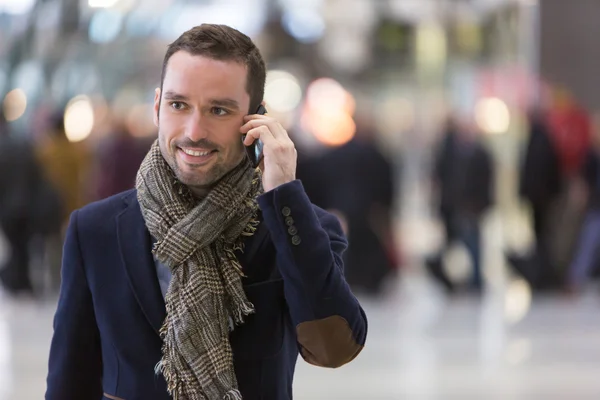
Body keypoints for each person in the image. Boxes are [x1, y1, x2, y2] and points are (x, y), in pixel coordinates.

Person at [45, 24, 367, 400]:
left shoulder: (296, 226)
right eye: (178, 105)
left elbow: (335, 348)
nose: (194, 131)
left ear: (256, 121)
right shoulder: (95, 230)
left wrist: (285, 196)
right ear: (157, 107)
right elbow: (71, 379)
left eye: (219, 110)